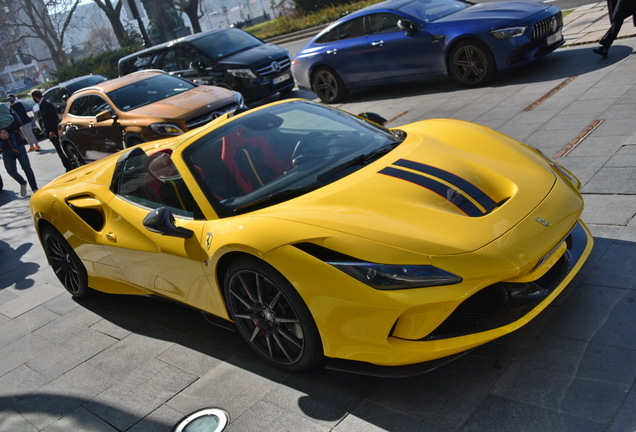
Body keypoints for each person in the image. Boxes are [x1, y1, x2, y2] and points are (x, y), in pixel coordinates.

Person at [30, 89, 72, 171]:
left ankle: (69, 166)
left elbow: (54, 118)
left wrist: (52, 130)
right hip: (50, 132)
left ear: (35, 97)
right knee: (58, 150)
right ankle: (67, 166)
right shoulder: (41, 105)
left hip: (54, 132)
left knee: (60, 150)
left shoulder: (46, 104)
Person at [0, 109, 38, 198]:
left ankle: (34, 188)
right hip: (5, 149)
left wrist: (6, 130)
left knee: (26, 167)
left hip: (18, 144)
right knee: (10, 170)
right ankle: (22, 182)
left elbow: (18, 121)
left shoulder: (8, 110)